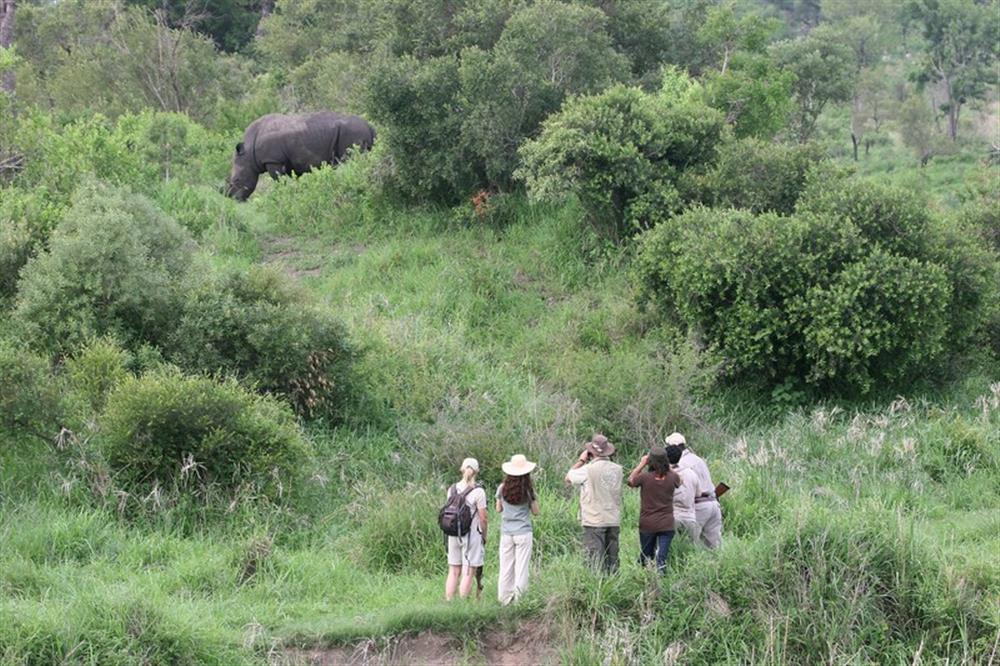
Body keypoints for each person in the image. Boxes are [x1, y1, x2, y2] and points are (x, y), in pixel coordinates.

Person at [564, 434, 623, 573]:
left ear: (591, 452)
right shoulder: (618, 469)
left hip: (594, 519)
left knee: (594, 562)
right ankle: (613, 587)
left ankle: (597, 589)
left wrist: (581, 460)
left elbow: (568, 477)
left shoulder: (587, 469)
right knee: (612, 561)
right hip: (613, 519)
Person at [627, 446, 681, 572]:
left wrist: (641, 464)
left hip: (648, 524)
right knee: (661, 559)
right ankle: (662, 579)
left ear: (649, 461)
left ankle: (645, 580)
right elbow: (679, 481)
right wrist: (667, 466)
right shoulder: (672, 477)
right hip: (667, 524)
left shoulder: (645, 477)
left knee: (646, 556)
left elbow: (630, 481)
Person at [495, 454, 540, 605]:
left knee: (506, 566)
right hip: (523, 531)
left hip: (507, 533)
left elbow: (498, 509)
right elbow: (536, 511)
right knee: (522, 567)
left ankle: (504, 598)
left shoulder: (502, 488)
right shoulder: (528, 490)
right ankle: (520, 600)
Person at [665, 432, 722, 549]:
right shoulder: (698, 459)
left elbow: (684, 493)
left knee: (690, 544)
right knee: (714, 546)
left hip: (699, 505)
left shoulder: (680, 464)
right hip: (713, 504)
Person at [444, 458, 488, 601]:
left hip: (452, 533)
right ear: (477, 471)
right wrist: (484, 536)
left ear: (461, 469)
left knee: (454, 570)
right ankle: (463, 604)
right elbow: (483, 518)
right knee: (468, 571)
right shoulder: (479, 491)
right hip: (471, 536)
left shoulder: (451, 489)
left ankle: (450, 602)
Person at [666, 444, 701, 543]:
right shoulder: (691, 473)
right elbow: (699, 494)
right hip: (690, 518)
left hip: (672, 517)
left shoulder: (666, 475)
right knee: (691, 551)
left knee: (671, 549)